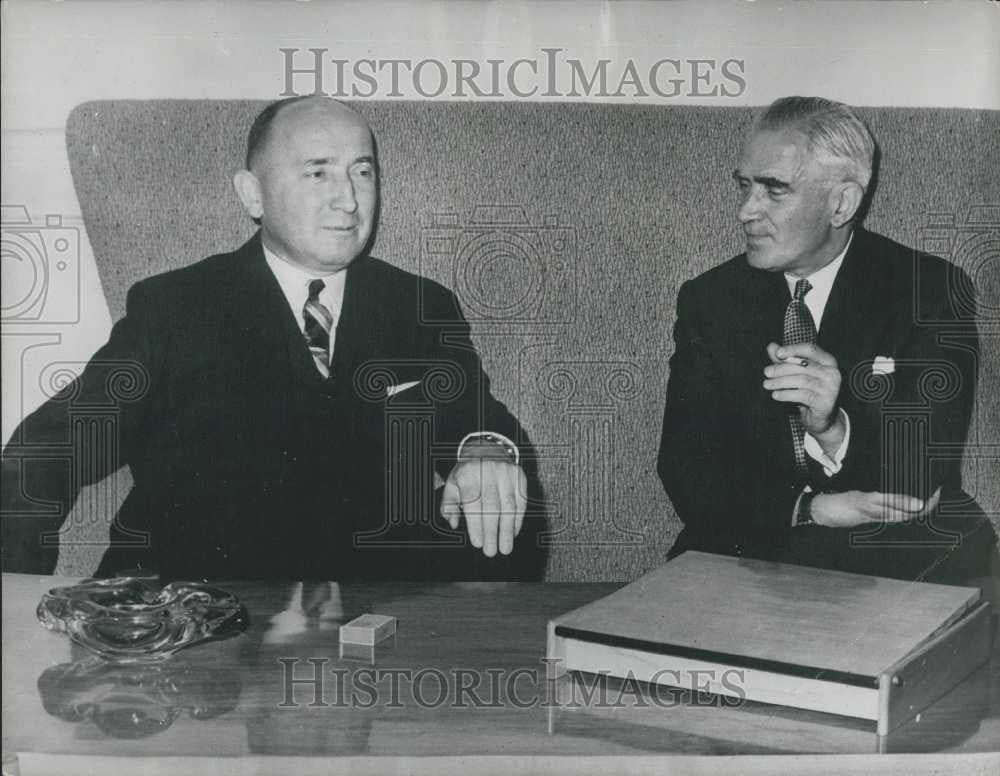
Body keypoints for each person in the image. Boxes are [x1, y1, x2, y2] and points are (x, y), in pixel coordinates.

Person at [1, 96, 544, 581]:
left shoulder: (419, 307)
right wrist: (11, 605)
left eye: (363, 172)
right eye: (317, 173)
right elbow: (49, 449)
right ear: (253, 194)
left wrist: (485, 449)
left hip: (369, 626)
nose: (349, 201)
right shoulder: (174, 308)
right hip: (188, 624)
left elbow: (477, 416)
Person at [658, 96, 996, 583]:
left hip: (894, 563)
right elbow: (684, 467)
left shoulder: (930, 292)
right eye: (745, 186)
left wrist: (832, 427)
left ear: (842, 202)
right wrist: (812, 508)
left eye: (775, 190)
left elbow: (917, 482)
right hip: (746, 551)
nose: (745, 211)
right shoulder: (709, 300)